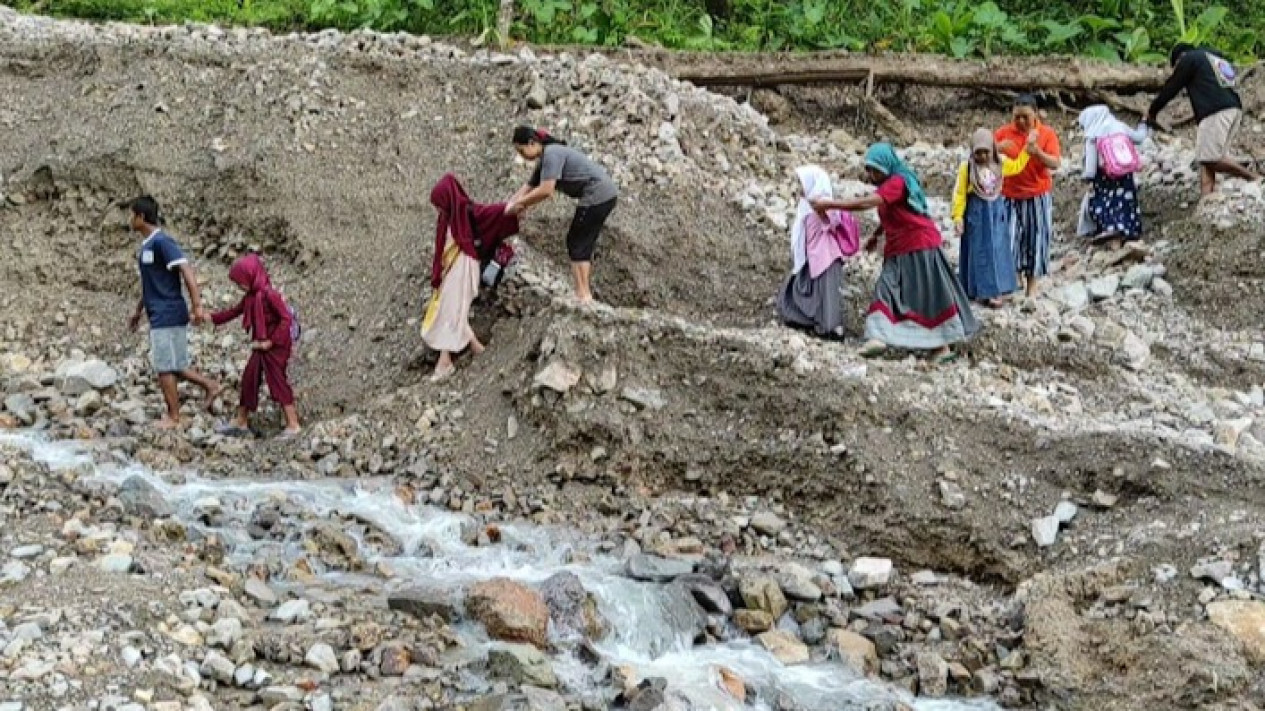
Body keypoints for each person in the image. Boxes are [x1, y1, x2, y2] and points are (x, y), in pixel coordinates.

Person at [811, 144, 979, 364]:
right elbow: (895, 212)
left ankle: (940, 346)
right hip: (900, 246)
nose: (871, 176)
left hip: (918, 245)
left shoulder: (897, 182)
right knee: (888, 286)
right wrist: (876, 235)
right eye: (869, 170)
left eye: (875, 170)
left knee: (926, 295)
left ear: (887, 166)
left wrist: (830, 204)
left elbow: (868, 203)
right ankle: (878, 336)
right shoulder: (892, 183)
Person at [127, 196, 221, 430]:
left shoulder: (161, 242)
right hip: (160, 310)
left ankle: (173, 416)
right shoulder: (148, 245)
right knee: (175, 363)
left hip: (167, 312)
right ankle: (211, 385)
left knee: (163, 366)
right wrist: (138, 312)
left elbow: (186, 270)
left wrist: (197, 305)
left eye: (132, 215)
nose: (129, 220)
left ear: (140, 217)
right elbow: (151, 283)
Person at [424, 173, 521, 381]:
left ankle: (445, 361)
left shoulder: (468, 212)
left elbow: (494, 213)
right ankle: (477, 348)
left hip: (465, 268)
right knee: (452, 311)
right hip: (450, 271)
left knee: (452, 311)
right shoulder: (446, 218)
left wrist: (520, 202)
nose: (439, 210)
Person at [507, 126, 618, 305]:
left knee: (577, 241)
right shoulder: (545, 158)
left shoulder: (551, 154)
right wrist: (506, 207)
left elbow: (545, 190)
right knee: (580, 241)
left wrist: (520, 205)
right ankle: (584, 293)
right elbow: (527, 188)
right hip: (605, 194)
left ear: (531, 143)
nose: (522, 156)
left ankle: (583, 294)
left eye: (521, 151)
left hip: (598, 194)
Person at [1145, 43, 1259, 196]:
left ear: (1179, 58)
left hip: (1215, 111)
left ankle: (1255, 178)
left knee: (1209, 158)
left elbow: (1171, 87)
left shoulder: (1190, 58)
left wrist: (1152, 111)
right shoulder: (1215, 59)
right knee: (1208, 158)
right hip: (1233, 109)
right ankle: (1206, 198)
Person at [209, 253, 301, 439]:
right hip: (261, 346)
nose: (239, 287)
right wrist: (211, 318)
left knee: (277, 382)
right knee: (249, 379)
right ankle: (241, 420)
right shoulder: (251, 297)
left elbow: (286, 319)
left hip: (276, 347)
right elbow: (235, 311)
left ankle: (293, 423)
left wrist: (271, 341)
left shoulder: (270, 295)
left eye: (241, 282)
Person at [777, 165, 860, 339]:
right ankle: (810, 322)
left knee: (827, 297)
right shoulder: (807, 204)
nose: (799, 187)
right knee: (805, 290)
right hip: (813, 258)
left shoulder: (823, 203)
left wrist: (822, 206)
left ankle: (830, 329)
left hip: (826, 257)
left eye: (802, 182)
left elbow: (834, 219)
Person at [951, 129, 1029, 308]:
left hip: (996, 215)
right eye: (978, 152)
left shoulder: (1000, 163)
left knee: (998, 249)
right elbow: (960, 193)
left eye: (986, 151)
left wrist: (1027, 151)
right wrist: (958, 217)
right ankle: (981, 290)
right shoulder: (967, 168)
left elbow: (1017, 166)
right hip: (976, 215)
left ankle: (998, 289)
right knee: (979, 251)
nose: (982, 156)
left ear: (992, 150)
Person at [995, 95, 1061, 299]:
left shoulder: (1047, 134)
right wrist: (997, 148)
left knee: (1036, 239)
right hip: (1008, 195)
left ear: (1035, 114)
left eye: (1025, 117)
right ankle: (1013, 280)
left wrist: (1037, 153)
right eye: (1017, 117)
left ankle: (1032, 285)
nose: (1021, 122)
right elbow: (980, 154)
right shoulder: (1003, 134)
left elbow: (1055, 163)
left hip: (1037, 195)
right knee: (1008, 237)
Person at [1076, 105, 1149, 249]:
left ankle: (1110, 229)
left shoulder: (1093, 134)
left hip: (1104, 177)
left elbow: (1091, 164)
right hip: (1123, 172)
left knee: (1105, 203)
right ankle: (1129, 229)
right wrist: (1144, 124)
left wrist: (1088, 177)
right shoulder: (1120, 126)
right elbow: (1139, 138)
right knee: (1125, 201)